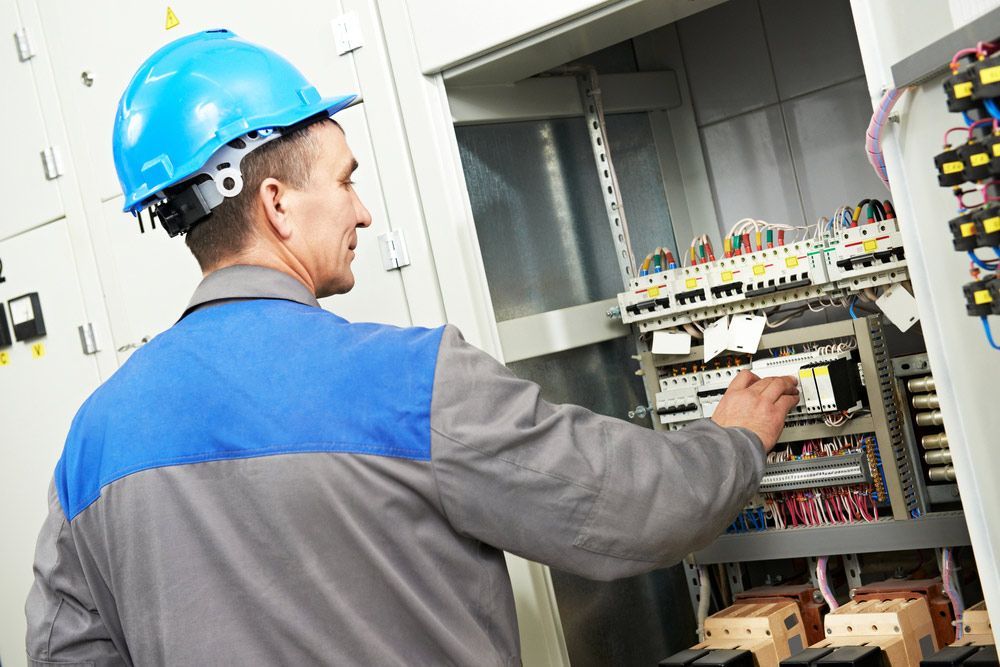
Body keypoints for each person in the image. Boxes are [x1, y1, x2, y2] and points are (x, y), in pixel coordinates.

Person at [25, 30, 799, 665]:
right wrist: (732, 442)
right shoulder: (409, 382)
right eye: (345, 181)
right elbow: (633, 507)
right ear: (277, 205)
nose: (363, 211)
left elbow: (65, 651)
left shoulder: (93, 440)